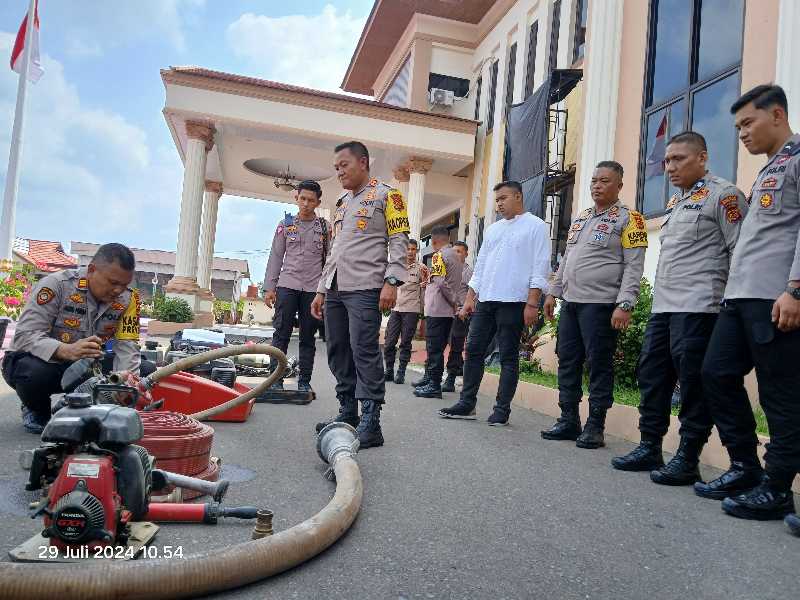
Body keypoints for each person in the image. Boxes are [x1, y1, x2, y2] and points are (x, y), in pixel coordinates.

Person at [611, 132, 748, 485]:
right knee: (653, 376)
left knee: (692, 383)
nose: (669, 166)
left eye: (678, 159)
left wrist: (733, 308)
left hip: (700, 306)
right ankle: (650, 445)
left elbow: (741, 254)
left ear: (702, 158)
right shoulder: (677, 202)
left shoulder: (725, 195)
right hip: (665, 307)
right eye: (667, 160)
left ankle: (688, 456)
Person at [699, 85, 800, 528]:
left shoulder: (797, 160)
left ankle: (777, 488)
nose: (741, 133)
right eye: (737, 126)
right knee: (715, 374)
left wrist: (796, 289)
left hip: (776, 297)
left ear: (776, 114)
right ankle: (745, 466)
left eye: (748, 123)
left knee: (780, 394)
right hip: (740, 297)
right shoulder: (768, 170)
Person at [541, 161, 647, 449]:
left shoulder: (630, 219)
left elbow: (634, 266)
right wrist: (553, 292)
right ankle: (568, 419)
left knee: (599, 363)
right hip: (572, 303)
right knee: (568, 359)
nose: (597, 186)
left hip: (601, 305)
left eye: (604, 181)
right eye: (593, 181)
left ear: (619, 186)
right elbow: (567, 259)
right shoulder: (582, 217)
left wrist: (625, 303)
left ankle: (595, 425)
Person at [311, 141, 410, 448]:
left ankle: (371, 421)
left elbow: (399, 239)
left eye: (344, 165)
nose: (339, 171)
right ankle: (347, 411)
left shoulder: (388, 194)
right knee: (338, 348)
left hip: (367, 286)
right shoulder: (341, 203)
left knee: (363, 349)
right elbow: (335, 250)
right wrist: (320, 289)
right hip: (336, 287)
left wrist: (392, 281)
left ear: (363, 162)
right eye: (336, 167)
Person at [438, 181, 549, 425]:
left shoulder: (536, 226)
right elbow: (481, 266)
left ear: (518, 197)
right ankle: (467, 404)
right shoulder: (493, 229)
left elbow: (540, 267)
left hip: (514, 301)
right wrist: (469, 299)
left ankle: (501, 410)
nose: (499, 203)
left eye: (503, 198)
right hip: (486, 301)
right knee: (474, 350)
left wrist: (532, 303)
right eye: (496, 199)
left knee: (508, 356)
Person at [1, 243, 144, 433]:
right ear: (92, 270)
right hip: (48, 364)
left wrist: (126, 386)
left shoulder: (129, 299)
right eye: (113, 282)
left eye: (124, 285)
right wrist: (65, 350)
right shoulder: (57, 285)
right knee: (31, 372)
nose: (118, 291)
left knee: (144, 370)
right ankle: (36, 409)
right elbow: (25, 335)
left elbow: (127, 346)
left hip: (90, 368)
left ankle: (78, 406)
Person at [263, 180, 330, 392]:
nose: (306, 204)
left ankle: (304, 382)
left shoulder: (325, 228)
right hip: (287, 285)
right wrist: (269, 288)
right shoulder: (285, 224)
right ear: (296, 198)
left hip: (313, 289)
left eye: (311, 200)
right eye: (302, 199)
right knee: (281, 333)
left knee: (307, 337)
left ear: (318, 202)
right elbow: (276, 256)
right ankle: (276, 381)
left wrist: (326, 291)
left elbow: (329, 260)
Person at [414, 227, 462, 399]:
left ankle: (434, 384)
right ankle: (431, 381)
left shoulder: (438, 256)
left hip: (438, 309)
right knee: (438, 347)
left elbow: (441, 283)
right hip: (446, 311)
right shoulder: (456, 256)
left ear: (433, 241)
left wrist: (454, 301)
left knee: (434, 348)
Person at [383, 239, 427, 385]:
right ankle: (389, 371)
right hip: (396, 309)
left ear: (417, 251)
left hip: (412, 310)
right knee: (389, 342)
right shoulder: (396, 267)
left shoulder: (422, 268)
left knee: (406, 343)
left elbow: (423, 292)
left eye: (413, 249)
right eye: (408, 249)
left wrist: (422, 316)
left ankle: (401, 372)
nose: (410, 252)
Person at [442, 240, 473, 393]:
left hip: (460, 314)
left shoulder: (468, 271)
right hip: (445, 313)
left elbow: (473, 294)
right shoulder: (448, 269)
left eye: (459, 251)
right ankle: (432, 375)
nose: (456, 254)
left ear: (466, 254)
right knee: (440, 343)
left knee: (456, 345)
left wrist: (463, 310)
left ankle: (451, 378)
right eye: (454, 251)